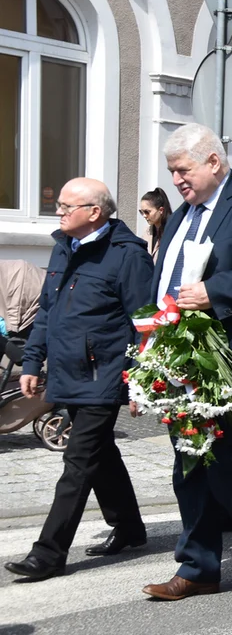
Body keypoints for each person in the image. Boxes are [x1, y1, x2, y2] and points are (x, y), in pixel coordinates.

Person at [142, 123, 232, 602]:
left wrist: (214, 292)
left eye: (183, 170)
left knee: (226, 459)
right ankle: (199, 565)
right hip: (181, 360)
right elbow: (165, 280)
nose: (177, 180)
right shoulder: (184, 214)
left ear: (213, 162)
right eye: (171, 173)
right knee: (188, 464)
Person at [4, 179, 152, 582]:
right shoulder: (62, 246)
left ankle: (48, 553)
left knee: (77, 461)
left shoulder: (127, 256)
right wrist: (32, 362)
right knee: (100, 454)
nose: (59, 211)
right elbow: (48, 312)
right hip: (67, 372)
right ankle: (130, 527)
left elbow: (144, 323)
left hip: (104, 374)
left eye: (68, 206)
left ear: (95, 212)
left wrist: (141, 381)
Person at [139, 187, 173, 263]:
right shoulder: (147, 232)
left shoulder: (172, 231)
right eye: (141, 212)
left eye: (147, 212)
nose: (144, 216)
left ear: (161, 210)